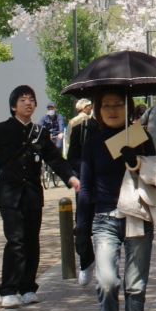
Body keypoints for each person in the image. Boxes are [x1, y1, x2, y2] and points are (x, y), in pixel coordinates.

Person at [78, 89, 156, 311]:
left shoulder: (141, 138)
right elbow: (86, 188)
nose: (112, 109)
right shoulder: (92, 143)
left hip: (137, 217)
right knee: (107, 282)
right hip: (104, 219)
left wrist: (135, 160)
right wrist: (81, 230)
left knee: (135, 287)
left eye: (118, 104)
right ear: (98, 110)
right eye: (106, 105)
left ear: (128, 108)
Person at [0, 85, 79, 308]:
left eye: (31, 99)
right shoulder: (0, 130)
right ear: (13, 106)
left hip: (33, 195)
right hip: (8, 194)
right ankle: (7, 290)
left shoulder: (40, 132)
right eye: (23, 99)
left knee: (32, 241)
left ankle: (27, 288)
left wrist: (71, 178)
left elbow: (54, 159)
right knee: (15, 240)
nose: (28, 103)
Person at [66, 100, 98, 286]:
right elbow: (72, 159)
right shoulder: (82, 128)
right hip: (86, 185)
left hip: (111, 190)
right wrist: (88, 169)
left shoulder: (121, 130)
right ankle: (87, 261)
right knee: (82, 229)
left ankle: (106, 268)